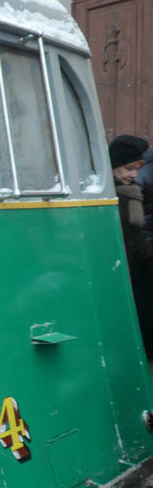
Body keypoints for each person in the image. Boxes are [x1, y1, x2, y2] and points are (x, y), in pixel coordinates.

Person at [109, 134, 153, 355]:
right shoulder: (110, 199)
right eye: (128, 169)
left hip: (135, 267)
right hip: (118, 271)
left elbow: (137, 239)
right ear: (114, 167)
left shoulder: (132, 194)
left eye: (136, 169)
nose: (134, 175)